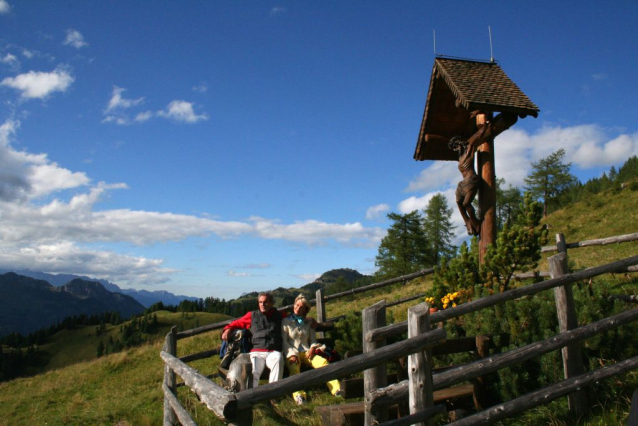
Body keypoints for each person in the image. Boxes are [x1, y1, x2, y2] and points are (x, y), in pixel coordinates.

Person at [282, 294, 342, 405]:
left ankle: (336, 389)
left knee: (323, 362)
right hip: (292, 353)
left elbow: (313, 339)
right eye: (297, 305)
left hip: (306, 351)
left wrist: (312, 348)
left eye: (301, 307)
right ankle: (299, 395)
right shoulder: (286, 321)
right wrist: (292, 354)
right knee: (294, 368)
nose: (298, 308)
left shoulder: (309, 322)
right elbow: (284, 341)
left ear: (306, 310)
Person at [221, 292, 285, 389]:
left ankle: (272, 393)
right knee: (254, 370)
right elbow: (236, 323)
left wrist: (309, 320)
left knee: (279, 359)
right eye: (260, 302)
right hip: (257, 352)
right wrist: (228, 330)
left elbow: (295, 319)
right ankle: (254, 396)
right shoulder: (252, 315)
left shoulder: (280, 315)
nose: (262, 304)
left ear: (272, 303)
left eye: (265, 302)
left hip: (273, 351)